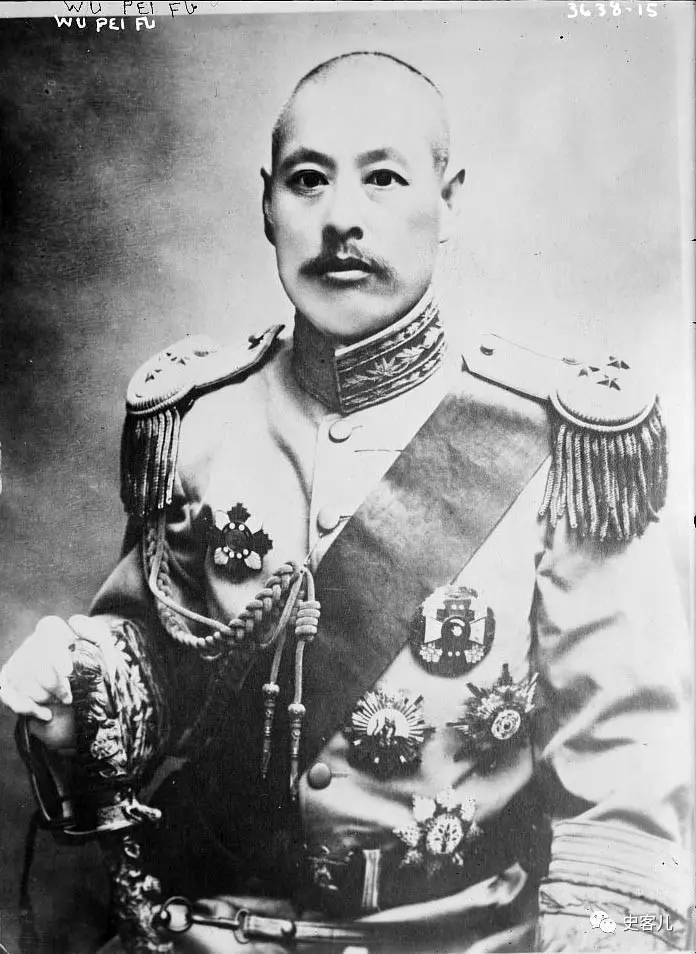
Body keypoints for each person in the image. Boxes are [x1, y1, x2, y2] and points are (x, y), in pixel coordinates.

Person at [1, 51, 692, 954]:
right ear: (267, 204)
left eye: (385, 178)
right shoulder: (203, 423)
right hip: (208, 929)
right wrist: (77, 693)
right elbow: (162, 672)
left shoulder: (565, 448)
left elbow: (624, 818)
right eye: (308, 179)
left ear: (449, 201)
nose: (341, 219)